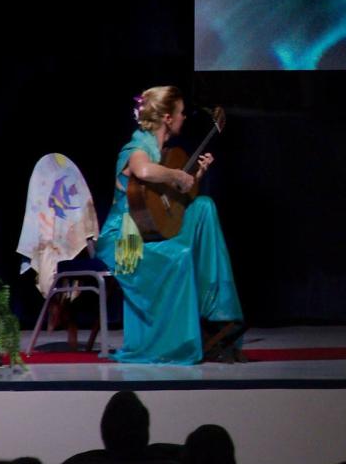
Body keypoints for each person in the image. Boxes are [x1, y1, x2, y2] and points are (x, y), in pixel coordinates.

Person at [95, 86, 244, 365]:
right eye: (180, 113)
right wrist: (177, 175)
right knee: (180, 255)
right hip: (126, 239)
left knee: (204, 207)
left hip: (150, 231)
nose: (183, 118)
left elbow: (169, 205)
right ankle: (176, 343)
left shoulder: (166, 152)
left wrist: (195, 175)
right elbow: (143, 171)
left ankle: (216, 311)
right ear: (166, 118)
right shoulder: (139, 146)